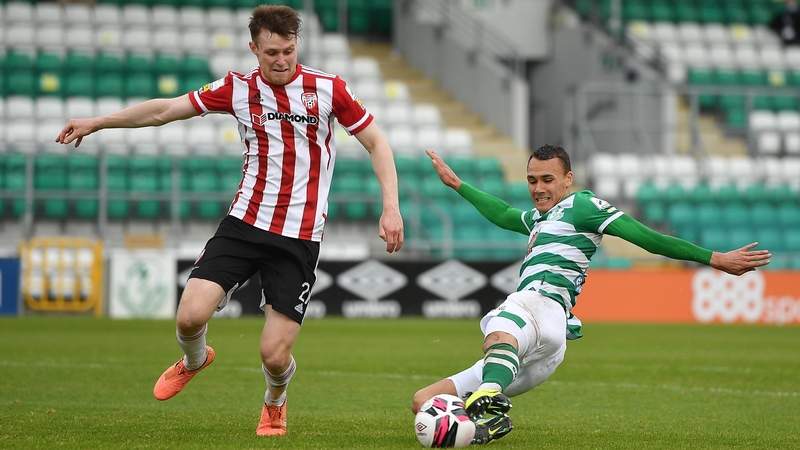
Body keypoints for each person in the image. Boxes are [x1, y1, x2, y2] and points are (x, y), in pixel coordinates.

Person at [56, 5, 404, 437]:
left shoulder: (328, 88)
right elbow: (165, 110)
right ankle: (195, 359)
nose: (282, 60)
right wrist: (98, 122)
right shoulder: (238, 88)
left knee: (274, 355)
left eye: (289, 51)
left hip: (298, 237)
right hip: (243, 224)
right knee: (188, 318)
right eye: (272, 52)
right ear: (254, 49)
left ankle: (275, 401)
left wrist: (391, 206)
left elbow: (377, 143)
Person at [412, 146, 770, 444]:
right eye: (532, 180)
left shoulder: (583, 205)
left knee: (499, 332)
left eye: (548, 179)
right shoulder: (538, 219)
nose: (538, 188)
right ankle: (481, 425)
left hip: (540, 304)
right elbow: (504, 213)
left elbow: (647, 238)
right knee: (423, 402)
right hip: (548, 347)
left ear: (568, 179)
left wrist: (714, 258)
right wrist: (458, 184)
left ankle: (491, 390)